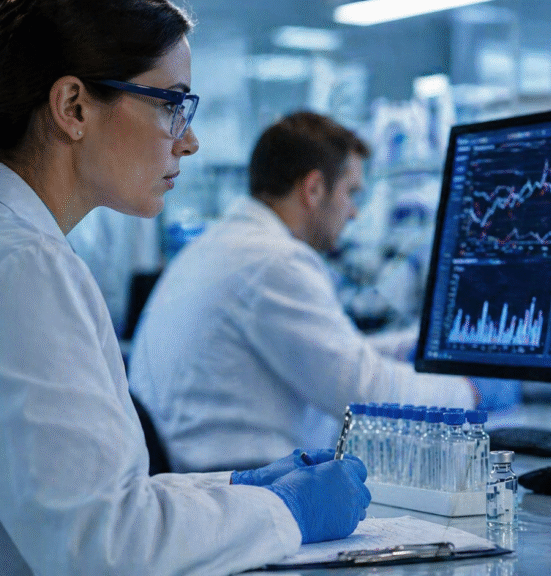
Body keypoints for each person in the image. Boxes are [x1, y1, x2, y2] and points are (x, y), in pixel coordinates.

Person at [0, 2, 369, 575]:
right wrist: (286, 511)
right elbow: (104, 547)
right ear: (73, 107)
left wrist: (235, 488)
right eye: (172, 104)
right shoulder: (20, 266)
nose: (189, 140)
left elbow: (81, 497)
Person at [128, 111, 477, 473]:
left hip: (207, 475)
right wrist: (471, 391)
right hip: (237, 484)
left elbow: (332, 352)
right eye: (351, 193)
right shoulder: (273, 261)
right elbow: (363, 390)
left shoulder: (229, 244)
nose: (354, 213)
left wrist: (408, 346)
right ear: (313, 189)